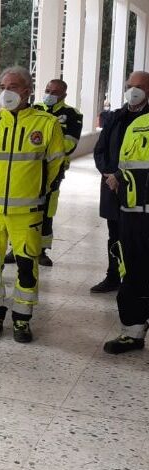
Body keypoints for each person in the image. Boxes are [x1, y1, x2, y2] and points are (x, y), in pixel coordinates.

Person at [0, 67, 66, 343]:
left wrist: (35, 192)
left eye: (13, 86)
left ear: (27, 90)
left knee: (26, 266)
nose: (6, 91)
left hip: (27, 213)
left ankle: (22, 320)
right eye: (3, 85)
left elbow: (55, 165)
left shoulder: (46, 124)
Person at [6, 79, 83, 267]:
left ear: (64, 95)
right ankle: (14, 247)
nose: (49, 94)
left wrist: (45, 148)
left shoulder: (72, 114)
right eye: (47, 90)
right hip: (27, 169)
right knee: (21, 209)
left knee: (46, 211)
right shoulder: (33, 109)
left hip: (52, 170)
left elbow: (69, 144)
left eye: (54, 92)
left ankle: (41, 250)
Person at [91, 71, 149, 293]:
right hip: (112, 188)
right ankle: (113, 275)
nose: (132, 91)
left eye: (139, 86)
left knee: (136, 236)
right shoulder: (116, 116)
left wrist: (120, 175)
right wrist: (109, 174)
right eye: (129, 85)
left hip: (140, 191)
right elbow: (100, 150)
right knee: (114, 235)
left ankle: (135, 279)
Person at [103, 109, 149, 354]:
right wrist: (118, 178)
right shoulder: (138, 124)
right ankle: (132, 333)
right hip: (133, 215)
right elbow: (126, 165)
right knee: (132, 274)